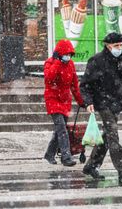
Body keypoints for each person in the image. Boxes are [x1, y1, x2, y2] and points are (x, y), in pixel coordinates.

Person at [80, 32, 122, 185]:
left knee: (107, 137)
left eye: (121, 45)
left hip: (117, 102)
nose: (119, 48)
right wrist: (88, 102)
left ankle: (91, 166)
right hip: (103, 102)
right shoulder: (97, 61)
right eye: (116, 45)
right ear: (108, 46)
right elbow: (85, 85)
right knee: (113, 134)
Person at [43, 39, 84, 167]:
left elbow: (74, 85)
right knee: (61, 129)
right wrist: (57, 62)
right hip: (53, 99)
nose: (68, 56)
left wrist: (81, 101)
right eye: (66, 54)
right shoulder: (50, 63)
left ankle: (49, 154)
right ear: (59, 53)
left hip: (65, 101)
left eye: (70, 54)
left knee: (59, 130)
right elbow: (49, 78)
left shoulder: (70, 65)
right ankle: (66, 157)